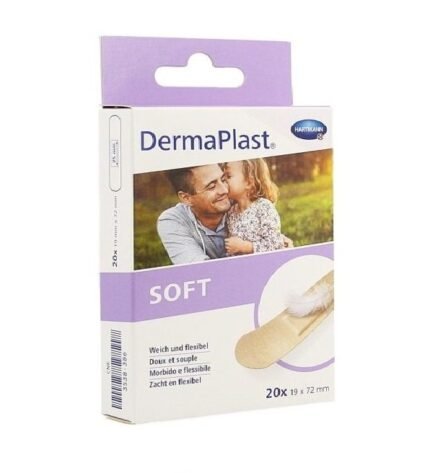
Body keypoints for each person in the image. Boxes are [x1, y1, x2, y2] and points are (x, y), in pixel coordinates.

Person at [157, 164, 230, 264]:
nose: (224, 190)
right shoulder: (172, 220)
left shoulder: (242, 202)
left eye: (223, 180)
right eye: (212, 187)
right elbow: (198, 270)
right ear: (186, 198)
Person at [223, 159, 286, 256]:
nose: (224, 181)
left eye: (228, 176)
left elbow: (276, 244)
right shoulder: (231, 212)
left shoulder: (263, 207)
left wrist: (246, 247)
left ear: (249, 182)